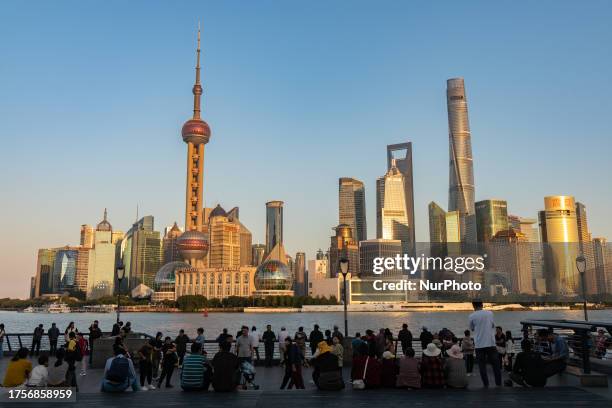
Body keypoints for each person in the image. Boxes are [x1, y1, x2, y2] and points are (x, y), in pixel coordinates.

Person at [468, 300, 501, 387]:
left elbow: (472, 328)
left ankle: (486, 384)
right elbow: (493, 325)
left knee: (482, 366)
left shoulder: (471, 316)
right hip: (491, 342)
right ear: (482, 305)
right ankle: (498, 383)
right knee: (496, 365)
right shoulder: (490, 313)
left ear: (473, 306)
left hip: (479, 344)